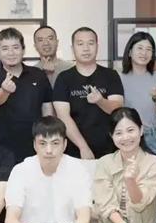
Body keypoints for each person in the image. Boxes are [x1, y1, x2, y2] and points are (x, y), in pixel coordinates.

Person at [53, 27, 124, 159]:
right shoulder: (64, 78)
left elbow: (118, 108)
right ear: (72, 48)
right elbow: (63, 116)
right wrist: (83, 147)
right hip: (74, 150)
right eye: (80, 44)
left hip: (110, 149)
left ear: (97, 46)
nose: (86, 48)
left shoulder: (111, 75)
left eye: (90, 43)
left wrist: (100, 101)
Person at [0, 27, 53, 162]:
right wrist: (4, 91)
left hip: (35, 147)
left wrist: (48, 135)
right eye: (5, 48)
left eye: (15, 47)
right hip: (2, 149)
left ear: (23, 49)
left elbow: (47, 107)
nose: (11, 53)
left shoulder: (38, 74)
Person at [119, 31, 156, 159]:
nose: (144, 53)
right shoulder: (118, 77)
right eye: (140, 48)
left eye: (149, 49)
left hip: (151, 135)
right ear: (130, 52)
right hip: (126, 135)